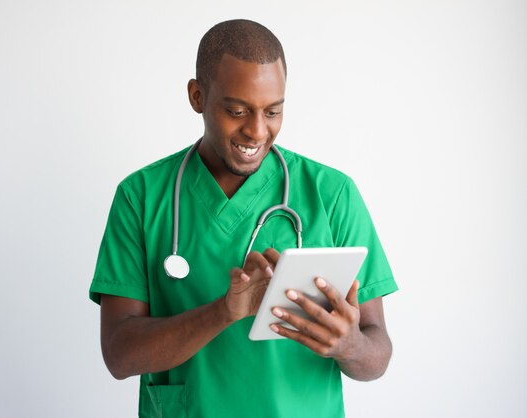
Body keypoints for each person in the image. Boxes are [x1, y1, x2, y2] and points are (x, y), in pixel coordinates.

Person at [90, 19, 398, 418]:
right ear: (197, 96)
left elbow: (377, 352)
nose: (256, 131)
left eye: (273, 111)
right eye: (237, 110)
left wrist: (349, 345)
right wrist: (225, 311)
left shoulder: (332, 194)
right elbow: (119, 354)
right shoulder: (142, 196)